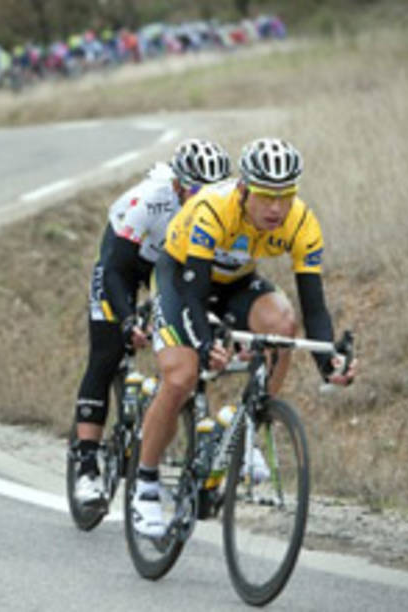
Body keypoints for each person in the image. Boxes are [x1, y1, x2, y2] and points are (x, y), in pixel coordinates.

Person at [130, 138, 359, 537]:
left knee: (282, 325)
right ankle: (145, 484)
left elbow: (314, 306)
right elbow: (194, 293)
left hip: (236, 282)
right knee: (182, 377)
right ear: (243, 189)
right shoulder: (213, 209)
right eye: (266, 196)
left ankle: (244, 424)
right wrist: (206, 345)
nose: (276, 208)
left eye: (285, 196)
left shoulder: (301, 221)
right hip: (182, 278)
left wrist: (328, 363)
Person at [72, 139, 232, 506]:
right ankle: (86, 466)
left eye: (213, 193)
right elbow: (114, 270)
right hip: (126, 263)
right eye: (196, 191)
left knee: (191, 346)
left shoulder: (223, 213)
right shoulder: (151, 201)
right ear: (177, 185)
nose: (204, 200)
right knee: (107, 351)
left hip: (173, 269)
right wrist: (128, 319)